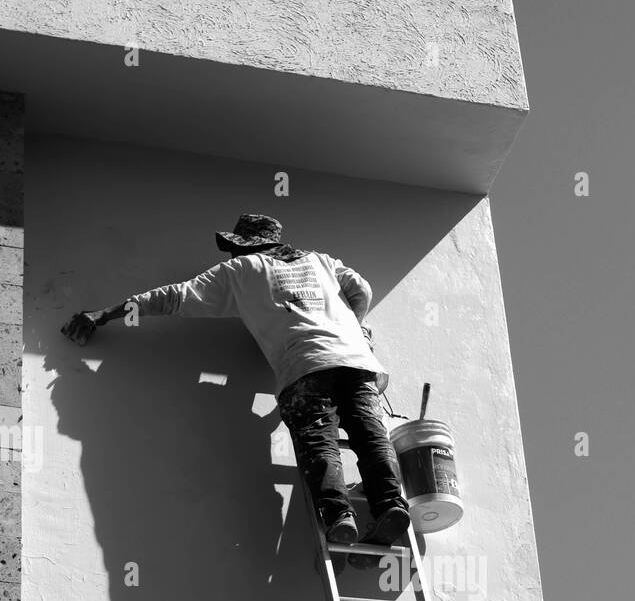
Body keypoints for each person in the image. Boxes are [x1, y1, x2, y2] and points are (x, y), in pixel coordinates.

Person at [61, 213, 411, 546]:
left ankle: (339, 516)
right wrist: (352, 331)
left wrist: (105, 314)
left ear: (246, 245)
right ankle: (391, 503)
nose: (229, 252)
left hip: (305, 368)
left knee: (320, 442)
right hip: (358, 362)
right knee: (370, 436)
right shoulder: (323, 261)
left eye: (233, 246)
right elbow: (361, 291)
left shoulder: (243, 269)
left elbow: (175, 297)